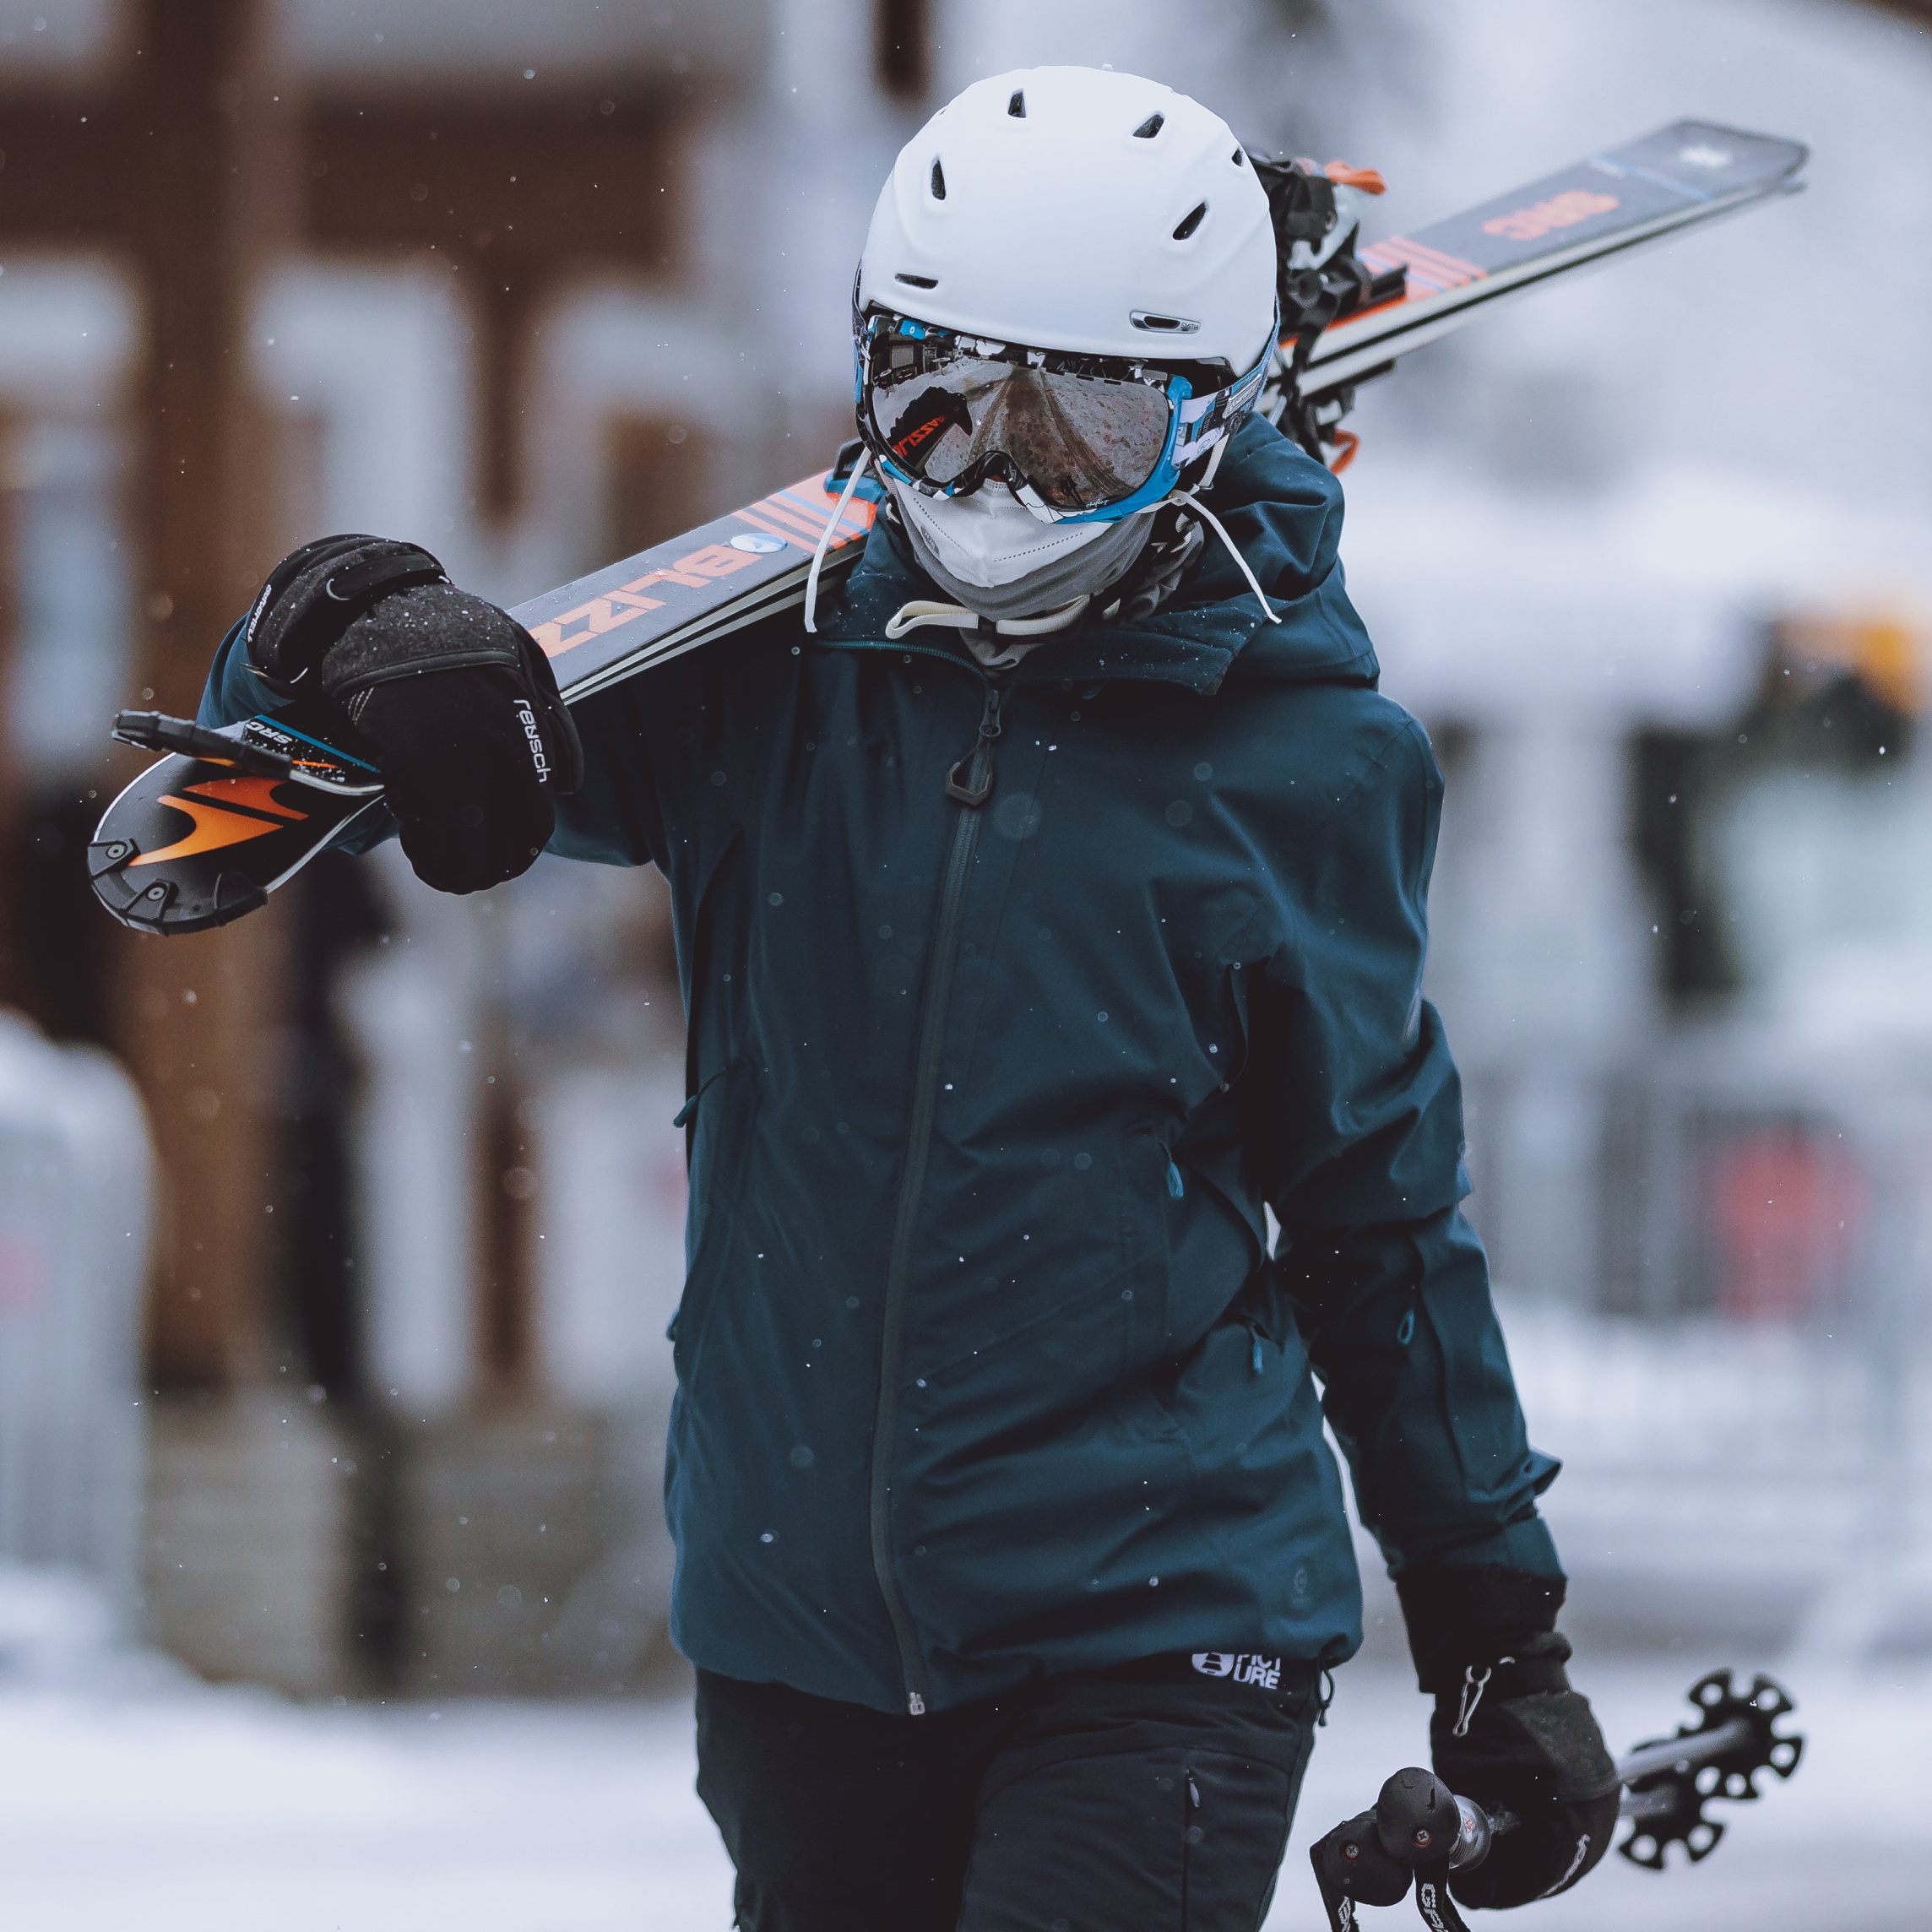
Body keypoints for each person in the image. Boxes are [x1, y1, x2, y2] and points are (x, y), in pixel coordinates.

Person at [199, 65, 1617, 1932]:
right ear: (868, 370)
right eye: (944, 405)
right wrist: (342, 623)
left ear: (1205, 426)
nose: (1007, 478)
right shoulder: (766, 686)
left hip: (1157, 1637)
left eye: (1088, 420)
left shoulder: (1301, 762)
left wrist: (1493, 1630)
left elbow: (1376, 1213)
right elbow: (334, 734)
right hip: (798, 1636)